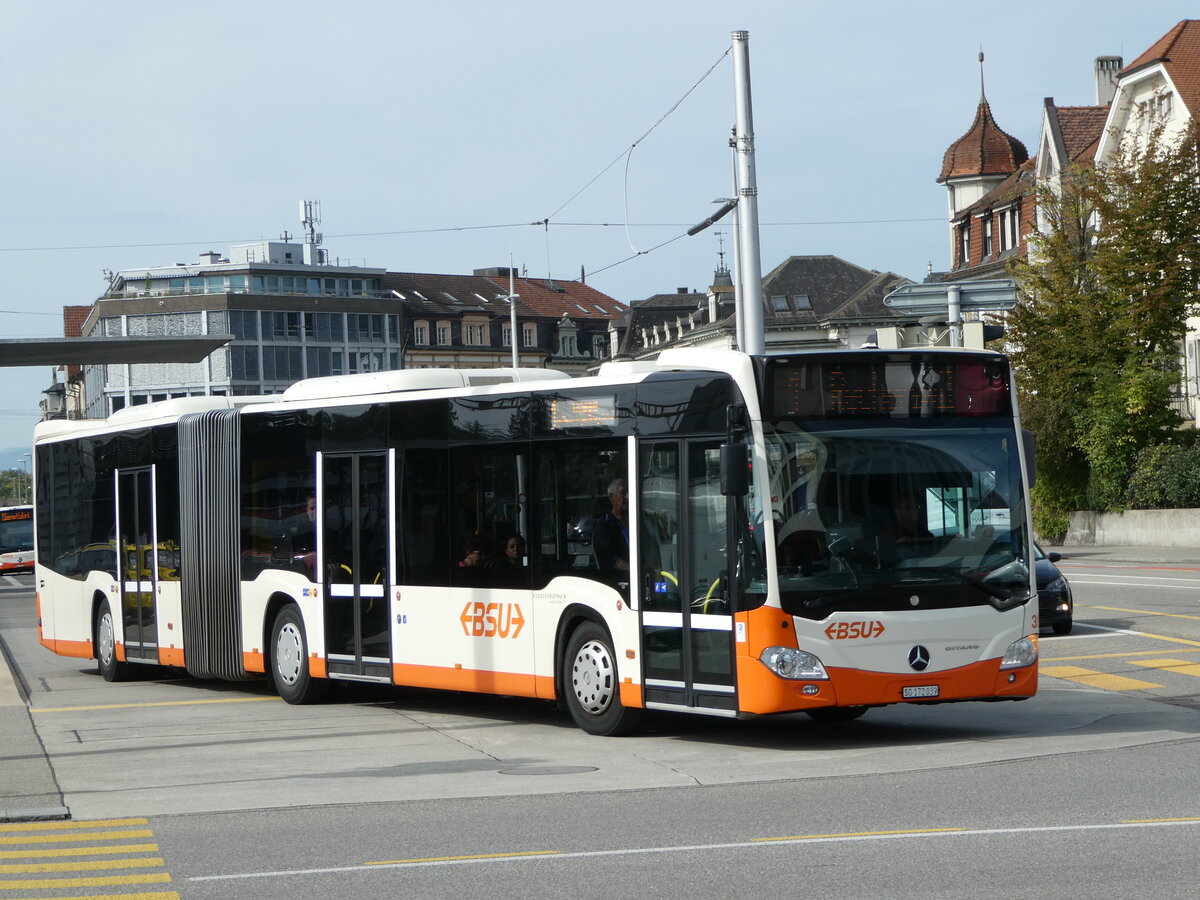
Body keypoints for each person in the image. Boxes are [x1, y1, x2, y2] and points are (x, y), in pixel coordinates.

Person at [592, 478, 630, 571]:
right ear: (611, 496)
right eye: (623, 493)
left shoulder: (635, 520)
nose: (627, 497)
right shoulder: (605, 525)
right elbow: (610, 559)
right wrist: (634, 571)